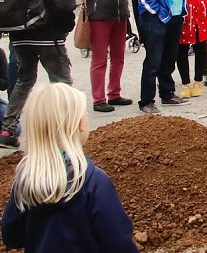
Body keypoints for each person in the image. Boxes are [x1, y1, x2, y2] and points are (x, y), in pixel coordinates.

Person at [1, 83, 138, 252]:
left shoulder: (24, 180)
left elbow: (11, 236)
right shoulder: (94, 182)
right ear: (81, 124)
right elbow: (119, 244)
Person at [0, 0, 76, 149]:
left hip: (20, 36)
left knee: (25, 80)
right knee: (62, 83)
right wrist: (65, 29)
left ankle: (7, 129)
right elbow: (65, 5)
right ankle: (60, 132)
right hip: (48, 36)